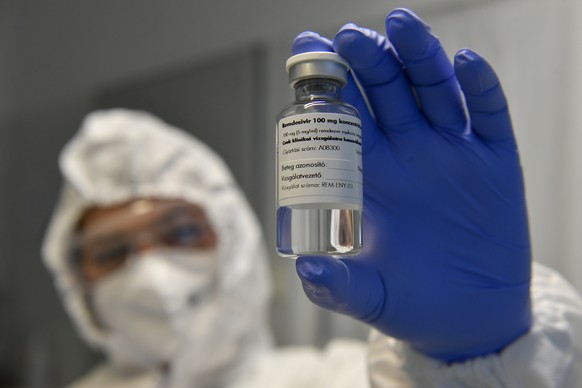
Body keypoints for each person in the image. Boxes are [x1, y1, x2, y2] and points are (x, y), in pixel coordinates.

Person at [42, 8, 582, 388]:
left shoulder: (347, 379)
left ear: (233, 242)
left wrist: (475, 355)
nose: (152, 270)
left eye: (181, 232)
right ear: (78, 283)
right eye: (112, 252)